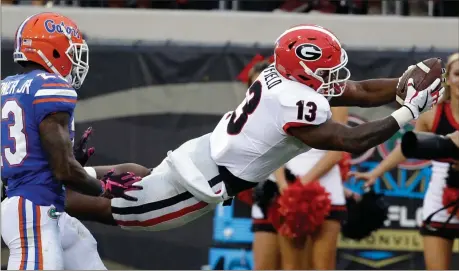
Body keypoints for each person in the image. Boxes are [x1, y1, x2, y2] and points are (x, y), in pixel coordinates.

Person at [64, 24, 444, 234]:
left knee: (136, 176)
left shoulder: (278, 77)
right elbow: (350, 140)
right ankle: (31, 195)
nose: (333, 78)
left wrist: (402, 84)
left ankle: (58, 172)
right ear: (304, 70)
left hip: (200, 155)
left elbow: (359, 90)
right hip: (204, 181)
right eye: (325, 71)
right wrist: (410, 109)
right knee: (119, 211)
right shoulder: (297, 101)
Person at [1, 12, 140, 270]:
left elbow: (32, 155)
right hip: (32, 211)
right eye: (72, 51)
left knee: (84, 248)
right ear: (53, 51)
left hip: (40, 207)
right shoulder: (50, 88)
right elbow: (64, 170)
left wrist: (68, 157)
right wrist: (104, 188)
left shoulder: (9, 86)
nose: (76, 60)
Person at [350, 52, 459, 270]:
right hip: (441, 196)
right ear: (449, 78)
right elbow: (408, 148)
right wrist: (375, 173)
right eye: (457, 73)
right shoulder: (432, 114)